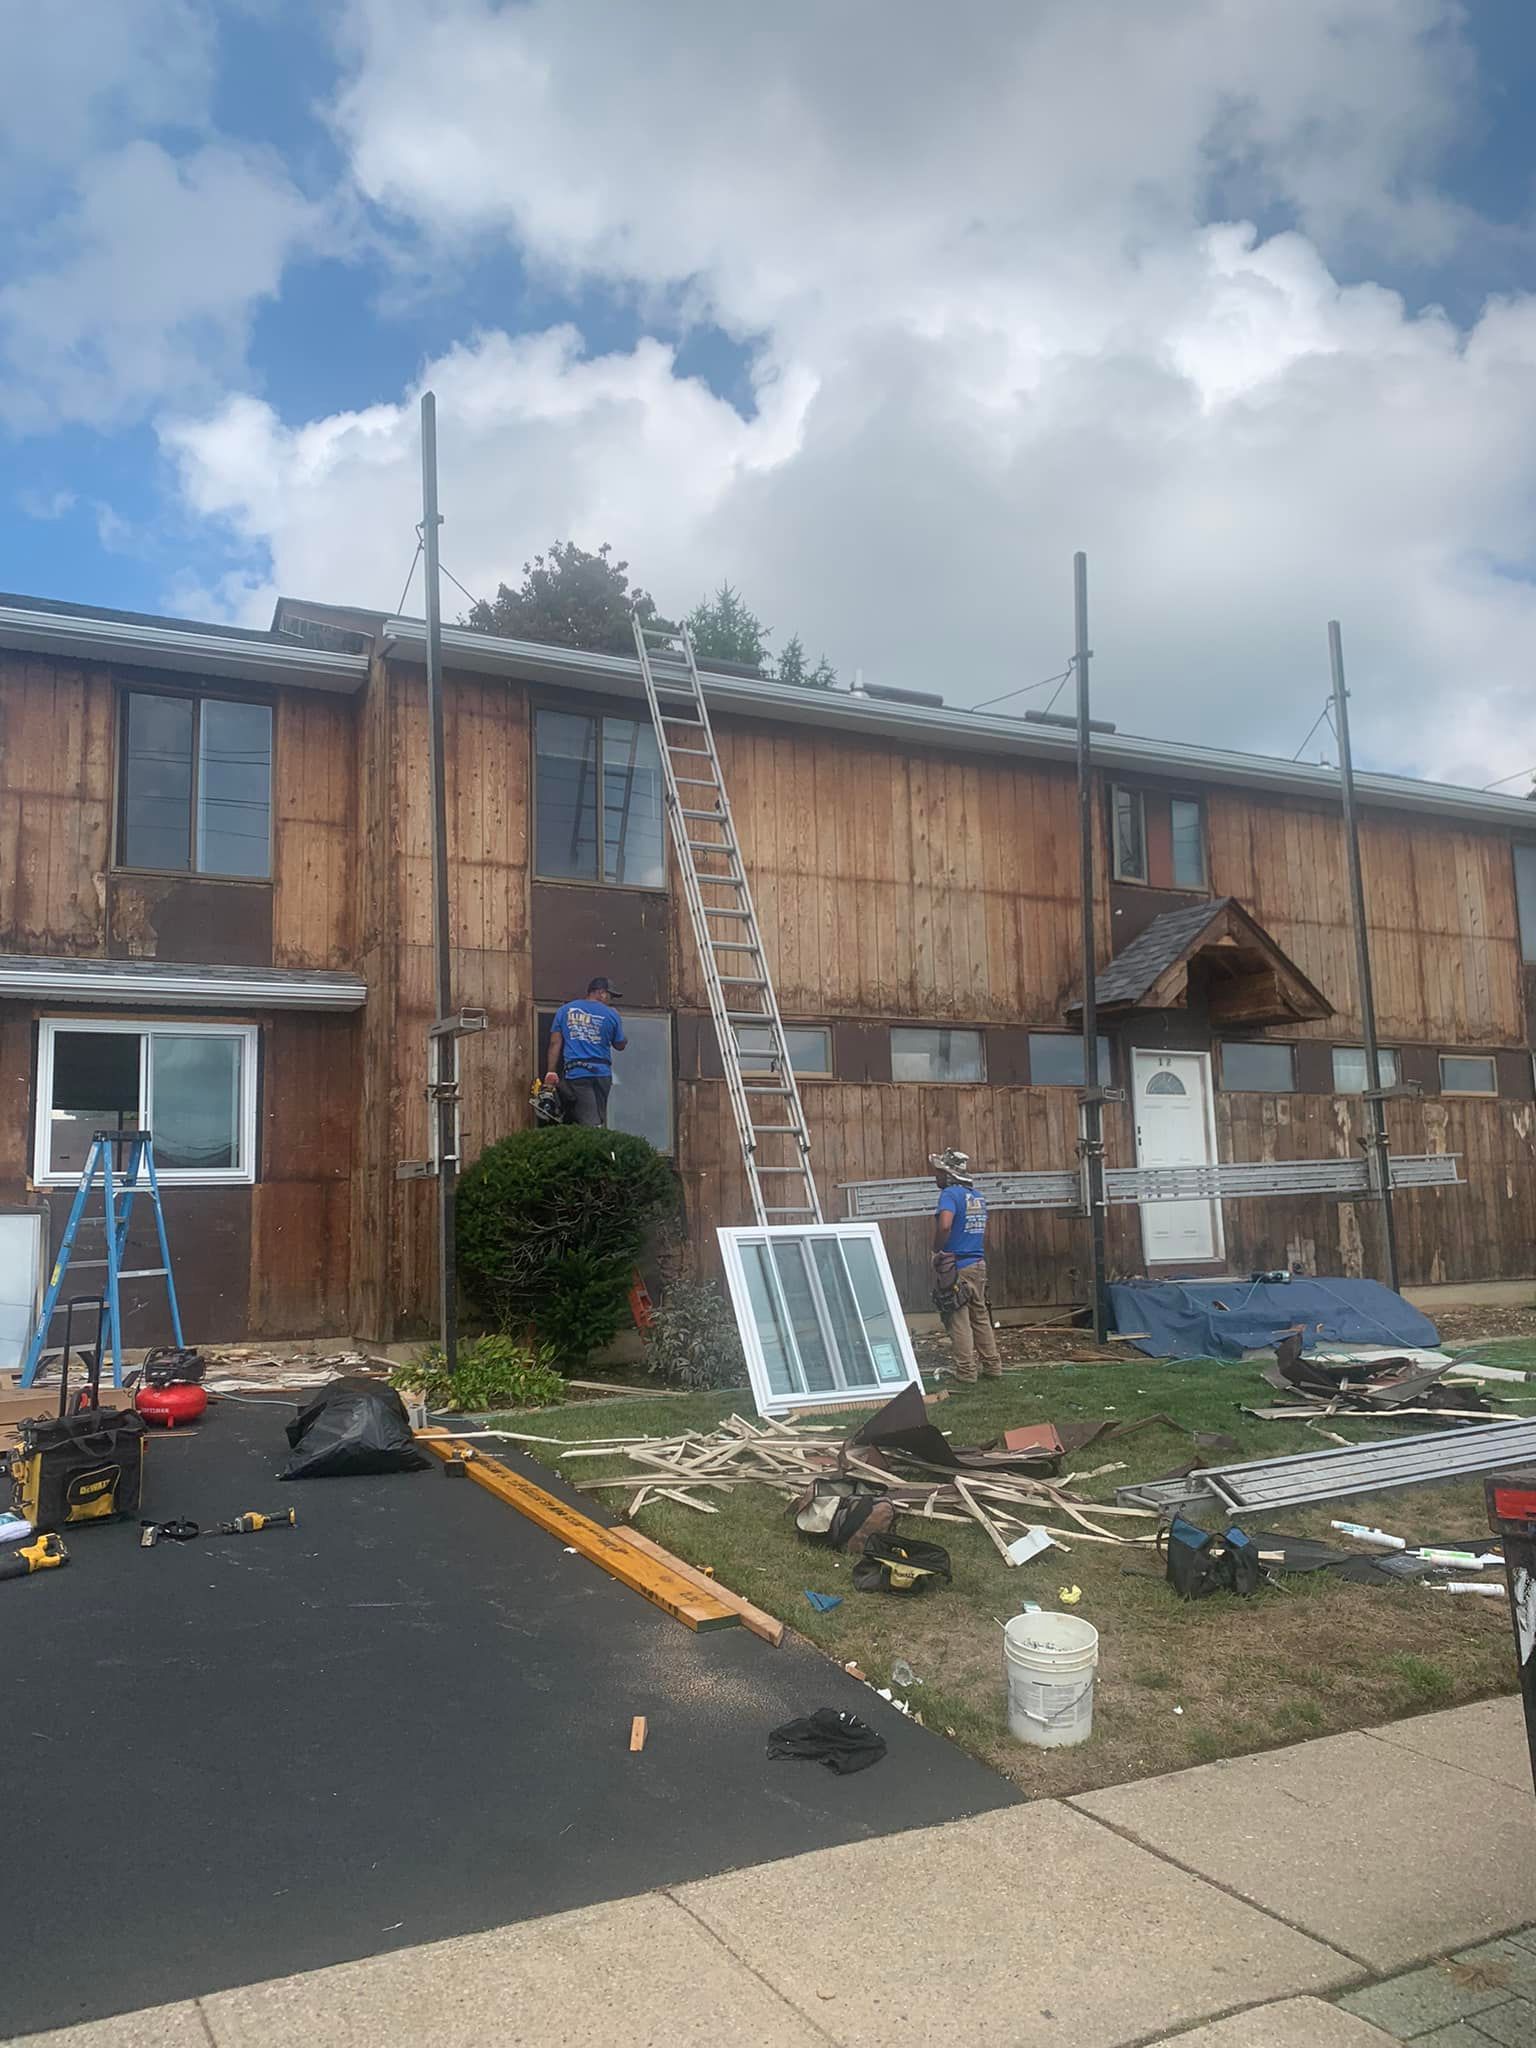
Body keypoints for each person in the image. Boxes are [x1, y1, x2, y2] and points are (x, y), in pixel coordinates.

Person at [929, 1147, 1001, 1384]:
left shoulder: (949, 1195)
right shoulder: (977, 1197)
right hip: (978, 1264)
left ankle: (966, 1371)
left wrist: (937, 1250)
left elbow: (945, 1225)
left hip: (957, 1266)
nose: (936, 1176)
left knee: (958, 1319)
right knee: (980, 1317)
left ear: (949, 1175)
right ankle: (992, 1366)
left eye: (939, 1172)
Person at [546, 977, 627, 1127]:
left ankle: (589, 1141)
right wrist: (619, 1023)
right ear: (601, 993)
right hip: (602, 1074)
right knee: (596, 1118)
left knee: (588, 1118)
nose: (611, 1000)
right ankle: (594, 1142)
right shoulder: (611, 1014)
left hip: (577, 1073)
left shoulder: (565, 1010)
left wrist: (551, 1072)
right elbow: (620, 1045)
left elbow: (555, 1043)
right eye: (610, 996)